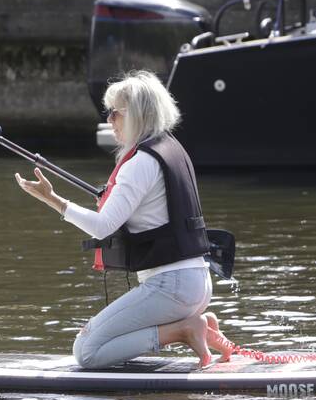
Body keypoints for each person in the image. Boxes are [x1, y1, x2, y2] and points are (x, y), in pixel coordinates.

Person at [15, 70, 233, 369]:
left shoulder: (140, 163)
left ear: (136, 115)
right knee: (100, 340)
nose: (109, 121)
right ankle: (199, 323)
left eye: (115, 114)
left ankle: (183, 329)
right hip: (196, 281)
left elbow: (103, 226)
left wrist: (54, 200)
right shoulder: (172, 149)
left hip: (170, 287)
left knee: (87, 351)